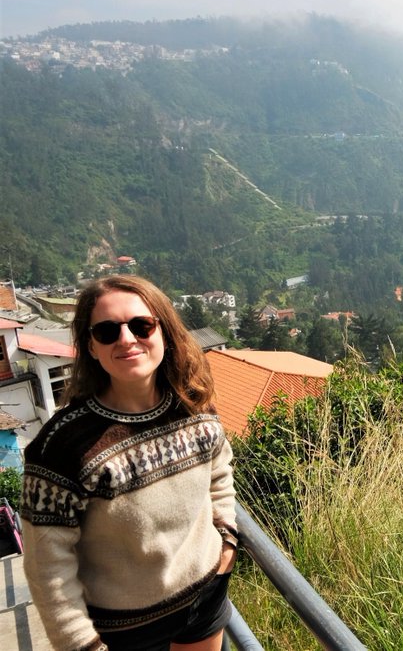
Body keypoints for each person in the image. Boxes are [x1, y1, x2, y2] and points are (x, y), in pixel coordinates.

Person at [22, 276, 237, 651]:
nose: (126, 339)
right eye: (107, 332)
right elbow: (48, 566)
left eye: (141, 325)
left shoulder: (193, 406)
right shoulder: (60, 447)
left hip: (204, 599)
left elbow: (219, 474)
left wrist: (227, 543)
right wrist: (81, 645)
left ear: (164, 332)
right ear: (91, 346)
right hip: (125, 632)